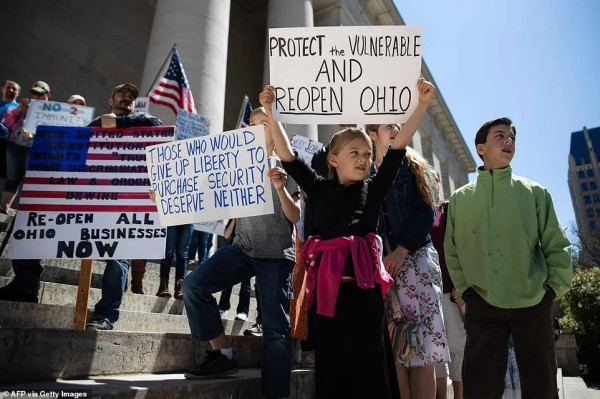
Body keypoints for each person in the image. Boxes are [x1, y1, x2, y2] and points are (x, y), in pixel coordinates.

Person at [261, 78, 435, 399]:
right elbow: (287, 156)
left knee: (370, 365)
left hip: (365, 294)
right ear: (333, 159)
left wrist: (421, 105)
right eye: (354, 152)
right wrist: (272, 115)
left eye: (367, 154)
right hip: (327, 294)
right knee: (331, 365)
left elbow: (397, 148)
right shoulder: (317, 188)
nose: (363, 158)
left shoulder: (373, 191)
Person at [444, 117, 573, 398]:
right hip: (482, 303)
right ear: (481, 148)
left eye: (512, 138)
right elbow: (452, 251)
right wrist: (468, 292)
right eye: (500, 136)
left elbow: (556, 245)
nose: (508, 141)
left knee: (541, 384)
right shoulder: (459, 200)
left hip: (533, 301)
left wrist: (551, 290)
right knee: (480, 384)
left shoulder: (536, 193)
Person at [182, 106, 300, 399]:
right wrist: (168, 196)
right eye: (252, 123)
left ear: (276, 132)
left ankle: (276, 393)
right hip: (242, 249)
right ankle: (223, 355)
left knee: (275, 328)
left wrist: (281, 187)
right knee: (194, 286)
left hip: (276, 255)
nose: (257, 128)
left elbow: (295, 216)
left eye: (265, 124)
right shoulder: (234, 165)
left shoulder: (286, 165)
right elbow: (203, 195)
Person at [368, 121, 449, 399]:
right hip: (383, 271)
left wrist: (401, 250)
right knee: (396, 347)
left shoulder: (416, 167)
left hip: (414, 262)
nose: (396, 129)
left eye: (399, 125)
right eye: (389, 125)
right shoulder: (367, 174)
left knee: (422, 349)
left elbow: (426, 213)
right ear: (372, 134)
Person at [83, 83, 162, 329]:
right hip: (94, 198)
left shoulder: (144, 121)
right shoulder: (96, 123)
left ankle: (107, 315)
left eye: (131, 96)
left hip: (126, 202)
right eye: (121, 95)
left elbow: (157, 127)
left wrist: (116, 123)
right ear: (111, 99)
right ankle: (26, 285)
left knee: (118, 259)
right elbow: (80, 139)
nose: (126, 98)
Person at [431, 200, 465, 399]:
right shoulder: (417, 209)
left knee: (457, 346)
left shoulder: (448, 210)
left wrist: (461, 283)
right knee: (434, 351)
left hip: (451, 291)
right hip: (428, 290)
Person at [0, 81, 51, 214]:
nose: (36, 96)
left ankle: (27, 212)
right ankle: (5, 207)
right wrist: (18, 111)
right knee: (12, 177)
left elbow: (52, 137)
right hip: (15, 146)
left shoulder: (53, 112)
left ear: (48, 95)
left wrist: (33, 137)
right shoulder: (23, 107)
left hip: (36, 150)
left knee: (30, 181)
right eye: (34, 93)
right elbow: (7, 123)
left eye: (40, 93)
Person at [149, 191, 194, 300]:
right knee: (169, 250)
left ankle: (179, 287)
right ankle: (163, 286)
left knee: (182, 253)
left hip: (188, 214)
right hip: (171, 213)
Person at [0, 80, 21, 192]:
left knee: (8, 174)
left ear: (18, 93)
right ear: (2, 88)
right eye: (8, 87)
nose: (11, 90)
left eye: (14, 89)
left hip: (9, 144)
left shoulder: (20, 109)